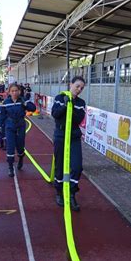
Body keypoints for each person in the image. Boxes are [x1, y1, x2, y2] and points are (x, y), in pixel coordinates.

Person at [51, 76, 86, 212]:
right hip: (60, 135)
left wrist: (72, 104)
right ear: (70, 84)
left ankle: (71, 193)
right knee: (60, 165)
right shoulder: (60, 98)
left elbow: (78, 119)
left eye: (82, 88)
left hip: (74, 137)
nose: (79, 89)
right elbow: (56, 114)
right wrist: (66, 105)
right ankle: (59, 192)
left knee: (77, 166)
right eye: (77, 86)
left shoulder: (81, 102)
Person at [1, 83, 36, 177]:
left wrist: (25, 103)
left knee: (20, 146)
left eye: (16, 90)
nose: (14, 92)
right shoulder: (6, 102)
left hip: (20, 125)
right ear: (9, 92)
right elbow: (2, 116)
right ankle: (10, 166)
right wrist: (1, 130)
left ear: (19, 91)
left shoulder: (23, 100)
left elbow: (33, 108)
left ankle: (21, 158)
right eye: (12, 91)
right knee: (10, 147)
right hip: (9, 126)